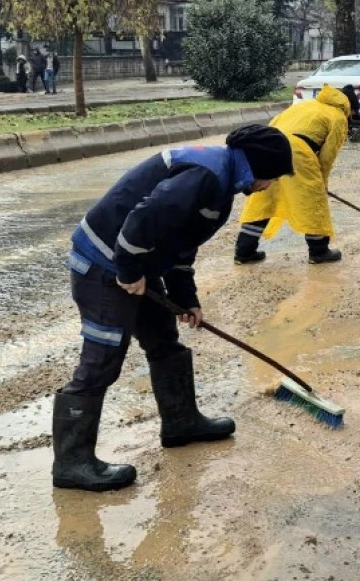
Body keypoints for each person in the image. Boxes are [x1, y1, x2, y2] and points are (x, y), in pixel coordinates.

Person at [53, 125, 295, 492]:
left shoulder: (221, 182)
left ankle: (181, 423)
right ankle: (71, 464)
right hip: (104, 265)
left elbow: (181, 247)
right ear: (257, 166)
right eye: (272, 177)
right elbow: (142, 220)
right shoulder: (206, 175)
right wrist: (131, 272)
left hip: (135, 265)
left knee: (165, 341)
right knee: (102, 360)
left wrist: (186, 300)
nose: (269, 186)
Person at [234, 84, 359, 265]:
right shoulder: (338, 117)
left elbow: (274, 122)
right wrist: (321, 183)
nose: (351, 117)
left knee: (264, 199)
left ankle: (244, 251)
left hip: (271, 145)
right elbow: (327, 157)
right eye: (353, 114)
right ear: (350, 108)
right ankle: (319, 252)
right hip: (298, 150)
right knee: (313, 201)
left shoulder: (305, 105)